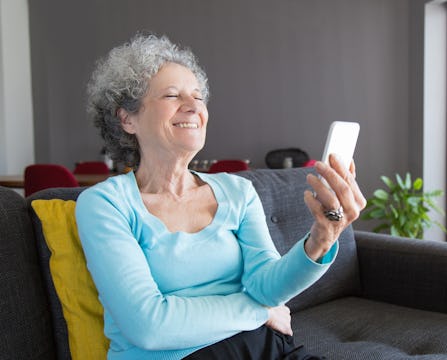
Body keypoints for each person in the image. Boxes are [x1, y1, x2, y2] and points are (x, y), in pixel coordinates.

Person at [76, 33, 366, 360]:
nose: (192, 106)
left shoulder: (236, 190)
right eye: (172, 95)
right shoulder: (105, 204)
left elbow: (265, 287)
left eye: (198, 97)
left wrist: (321, 240)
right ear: (127, 118)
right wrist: (260, 312)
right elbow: (149, 325)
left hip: (265, 349)